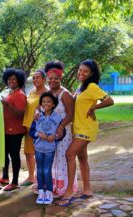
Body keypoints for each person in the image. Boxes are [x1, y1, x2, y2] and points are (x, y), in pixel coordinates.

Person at [59, 59, 114, 206]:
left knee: (70, 154)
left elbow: (110, 100)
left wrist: (94, 108)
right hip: (77, 128)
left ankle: (69, 191)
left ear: (91, 74)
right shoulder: (81, 87)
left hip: (86, 128)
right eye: (80, 69)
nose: (81, 73)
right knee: (82, 158)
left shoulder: (92, 86)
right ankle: (87, 190)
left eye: (85, 71)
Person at [44, 61, 78, 197]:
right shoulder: (48, 93)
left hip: (63, 133)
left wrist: (61, 126)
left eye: (55, 78)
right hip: (50, 133)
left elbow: (71, 113)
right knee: (52, 158)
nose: (52, 81)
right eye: (50, 78)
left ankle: (65, 188)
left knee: (62, 159)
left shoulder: (65, 94)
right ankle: (53, 185)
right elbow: (42, 108)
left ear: (60, 78)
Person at [30, 91, 64, 205]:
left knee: (46, 170)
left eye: (49, 101)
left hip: (50, 149)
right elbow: (31, 132)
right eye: (43, 101)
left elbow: (61, 134)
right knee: (39, 170)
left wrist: (54, 136)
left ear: (53, 104)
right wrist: (39, 134)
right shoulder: (37, 117)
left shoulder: (58, 118)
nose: (46, 103)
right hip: (38, 148)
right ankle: (41, 192)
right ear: (41, 104)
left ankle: (49, 192)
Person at [0, 68, 27, 191]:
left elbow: (20, 114)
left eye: (13, 79)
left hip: (15, 131)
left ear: (19, 80)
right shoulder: (12, 93)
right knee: (5, 155)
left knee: (14, 156)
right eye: (9, 79)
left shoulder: (19, 94)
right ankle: (5, 177)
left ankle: (15, 182)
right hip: (7, 130)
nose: (11, 81)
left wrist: (7, 105)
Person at [21, 69, 48, 187]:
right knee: (28, 153)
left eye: (38, 77)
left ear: (44, 79)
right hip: (27, 127)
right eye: (34, 78)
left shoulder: (47, 93)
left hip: (39, 128)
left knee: (40, 153)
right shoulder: (31, 92)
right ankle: (31, 177)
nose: (35, 80)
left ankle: (41, 178)